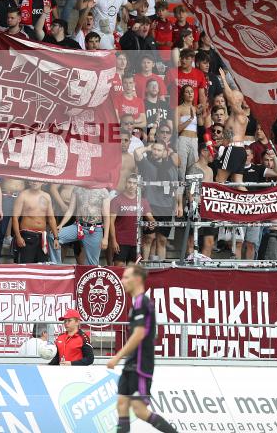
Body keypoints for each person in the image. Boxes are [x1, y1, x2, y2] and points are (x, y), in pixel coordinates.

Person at [107, 265, 177, 433]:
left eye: (126, 277)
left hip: (140, 364)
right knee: (122, 404)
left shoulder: (141, 303)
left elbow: (138, 334)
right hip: (133, 361)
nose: (122, 281)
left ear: (137, 279)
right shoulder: (137, 303)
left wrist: (117, 357)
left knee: (140, 411)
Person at [109, 173, 155, 266]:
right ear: (125, 183)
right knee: (119, 270)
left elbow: (150, 217)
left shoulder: (143, 201)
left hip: (136, 242)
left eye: (135, 183)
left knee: (133, 272)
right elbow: (111, 222)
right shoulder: (116, 200)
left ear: (138, 186)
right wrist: (113, 241)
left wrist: (151, 223)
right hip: (121, 241)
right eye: (129, 182)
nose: (132, 185)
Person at [11, 180, 58, 264]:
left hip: (42, 237)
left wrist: (56, 238)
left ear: (43, 182)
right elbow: (14, 217)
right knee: (26, 266)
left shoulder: (47, 196)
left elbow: (51, 218)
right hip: (27, 236)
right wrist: (18, 237)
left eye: (37, 181)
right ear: (28, 182)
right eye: (32, 180)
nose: (35, 182)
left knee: (42, 267)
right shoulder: (23, 195)